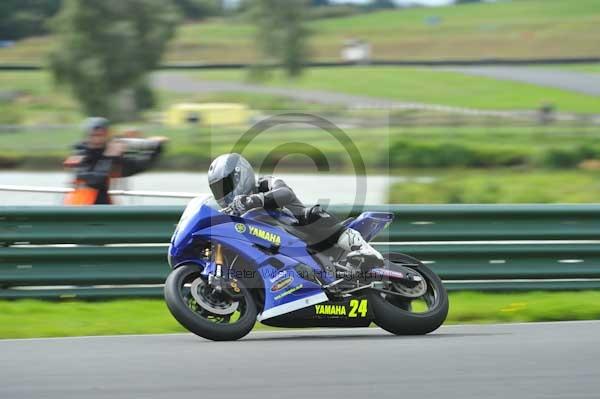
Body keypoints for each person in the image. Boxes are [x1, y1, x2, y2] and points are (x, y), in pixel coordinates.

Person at [207, 153, 383, 265]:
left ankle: (363, 250)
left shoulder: (265, 183)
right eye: (217, 189)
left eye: (225, 185)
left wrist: (254, 199)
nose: (222, 192)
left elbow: (285, 193)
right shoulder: (235, 212)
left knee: (311, 214)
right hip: (279, 248)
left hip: (303, 232)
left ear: (240, 174)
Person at [63, 117, 168, 205]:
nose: (97, 138)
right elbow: (94, 182)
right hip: (79, 211)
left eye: (101, 134)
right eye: (94, 135)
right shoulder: (80, 154)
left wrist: (156, 148)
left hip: (102, 211)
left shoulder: (109, 155)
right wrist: (109, 156)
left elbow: (139, 166)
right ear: (87, 136)